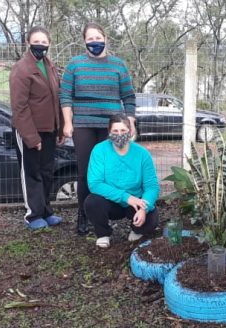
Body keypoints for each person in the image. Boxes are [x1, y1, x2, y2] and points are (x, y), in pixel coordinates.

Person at [60, 22, 137, 235]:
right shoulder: (74, 65)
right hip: (83, 126)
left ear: (105, 39)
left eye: (98, 38)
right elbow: (65, 96)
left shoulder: (118, 65)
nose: (95, 42)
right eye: (90, 39)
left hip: (111, 128)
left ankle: (104, 216)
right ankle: (83, 216)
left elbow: (129, 97)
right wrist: (68, 122)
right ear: (84, 41)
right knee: (85, 173)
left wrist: (130, 121)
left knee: (109, 172)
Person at [9, 26, 65, 230]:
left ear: (49, 43)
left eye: (44, 42)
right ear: (28, 43)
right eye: (36, 41)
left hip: (49, 129)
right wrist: (32, 137)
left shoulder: (50, 66)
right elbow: (19, 107)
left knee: (47, 172)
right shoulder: (21, 69)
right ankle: (32, 215)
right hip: (29, 130)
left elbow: (56, 99)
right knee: (32, 172)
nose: (40, 45)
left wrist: (59, 129)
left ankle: (46, 211)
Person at [84, 114, 159, 248]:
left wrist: (144, 209)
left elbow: (152, 186)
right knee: (92, 202)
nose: (119, 135)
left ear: (130, 131)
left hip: (135, 202)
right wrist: (126, 197)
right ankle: (103, 233)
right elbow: (95, 183)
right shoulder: (99, 150)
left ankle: (137, 230)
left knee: (152, 217)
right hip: (111, 201)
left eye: (123, 131)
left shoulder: (142, 153)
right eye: (115, 131)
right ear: (109, 132)